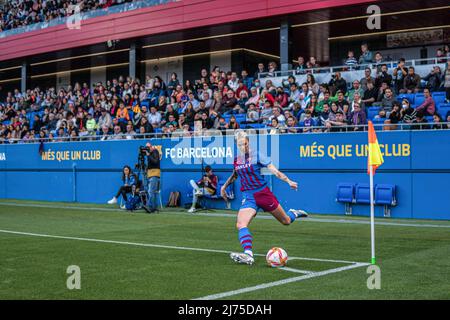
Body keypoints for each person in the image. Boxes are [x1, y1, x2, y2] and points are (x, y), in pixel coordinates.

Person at [220, 131, 308, 265]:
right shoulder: (237, 160)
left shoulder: (257, 155)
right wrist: (223, 187)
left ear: (248, 142)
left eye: (244, 144)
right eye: (239, 145)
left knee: (286, 221)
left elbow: (274, 170)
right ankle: (248, 254)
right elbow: (235, 175)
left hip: (263, 194)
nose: (242, 147)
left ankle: (293, 213)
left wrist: (288, 181)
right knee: (241, 224)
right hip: (248, 196)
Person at [145, 142, 161, 213]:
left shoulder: (155, 151)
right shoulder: (150, 153)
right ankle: (154, 208)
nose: (147, 149)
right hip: (150, 174)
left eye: (148, 147)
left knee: (151, 191)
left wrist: (148, 155)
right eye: (146, 147)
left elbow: (156, 161)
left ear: (151, 147)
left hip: (154, 174)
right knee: (152, 192)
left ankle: (149, 206)